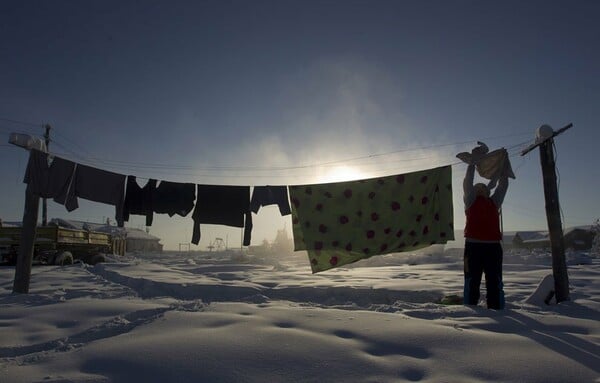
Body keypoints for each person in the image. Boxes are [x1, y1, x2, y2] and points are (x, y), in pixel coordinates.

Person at [463, 158, 509, 310]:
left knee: (494, 281)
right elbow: (467, 184)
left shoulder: (494, 202)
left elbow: (502, 187)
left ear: (488, 192)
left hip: (493, 248)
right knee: (472, 280)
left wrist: (503, 169)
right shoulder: (470, 202)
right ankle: (470, 309)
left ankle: (496, 310)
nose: (480, 188)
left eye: (483, 187)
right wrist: (471, 164)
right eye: (478, 187)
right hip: (473, 247)